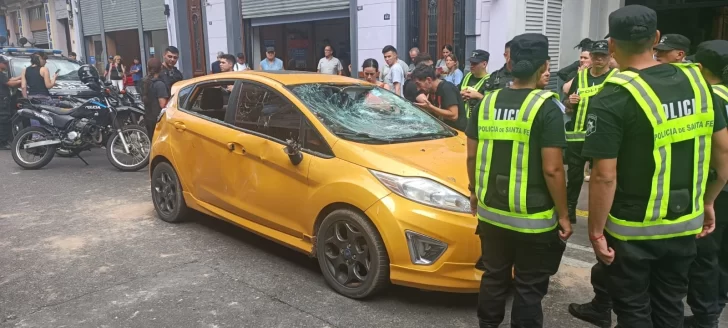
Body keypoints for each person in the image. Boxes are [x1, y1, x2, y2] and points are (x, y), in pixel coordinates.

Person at [578, 5, 728, 328]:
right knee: (670, 304)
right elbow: (724, 153)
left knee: (633, 310)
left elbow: (604, 176)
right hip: (685, 224)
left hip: (632, 231)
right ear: (656, 38)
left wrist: (595, 231)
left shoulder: (612, 96)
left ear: (613, 46)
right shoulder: (699, 84)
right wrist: (709, 201)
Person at [466, 32, 571, 328]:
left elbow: (472, 157)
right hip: (533, 219)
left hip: (491, 213)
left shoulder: (485, 103)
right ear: (544, 65)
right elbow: (553, 170)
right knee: (528, 285)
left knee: (494, 275)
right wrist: (563, 215)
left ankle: (488, 324)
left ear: (509, 63)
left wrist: (474, 191)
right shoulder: (546, 107)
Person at [685, 39, 728, 328]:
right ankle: (715, 307)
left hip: (718, 188)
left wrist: (708, 198)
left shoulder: (708, 99)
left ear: (700, 67)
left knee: (704, 256)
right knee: (723, 256)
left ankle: (705, 319)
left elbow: (719, 152)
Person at [561, 40, 617, 225]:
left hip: (603, 138)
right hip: (578, 137)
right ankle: (570, 211)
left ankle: (600, 214)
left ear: (610, 57)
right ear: (590, 57)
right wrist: (571, 101)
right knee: (575, 178)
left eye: (603, 55)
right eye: (595, 56)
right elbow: (568, 105)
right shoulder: (582, 77)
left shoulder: (616, 77)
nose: (599, 59)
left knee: (601, 179)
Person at [410, 64, 466, 131]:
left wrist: (431, 107)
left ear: (428, 80)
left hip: (458, 133)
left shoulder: (447, 88)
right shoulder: (431, 91)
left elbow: (454, 115)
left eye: (418, 84)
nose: (418, 89)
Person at [141, 58, 169, 139]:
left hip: (148, 117)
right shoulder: (160, 84)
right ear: (161, 68)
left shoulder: (143, 82)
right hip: (158, 120)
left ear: (147, 68)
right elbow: (162, 104)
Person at [460, 49, 490, 119]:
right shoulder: (467, 76)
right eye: (471, 63)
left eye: (475, 64)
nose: (471, 66)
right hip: (462, 121)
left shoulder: (490, 80)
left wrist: (478, 96)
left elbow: (492, 103)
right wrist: (460, 93)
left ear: (484, 64)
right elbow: (457, 92)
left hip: (477, 120)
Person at [0, 56, 21, 150]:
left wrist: (21, 77)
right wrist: (22, 81)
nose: (6, 65)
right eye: (4, 63)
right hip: (2, 100)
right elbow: (10, 83)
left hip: (3, 99)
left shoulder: (2, 74)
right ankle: (3, 142)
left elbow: (9, 81)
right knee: (4, 120)